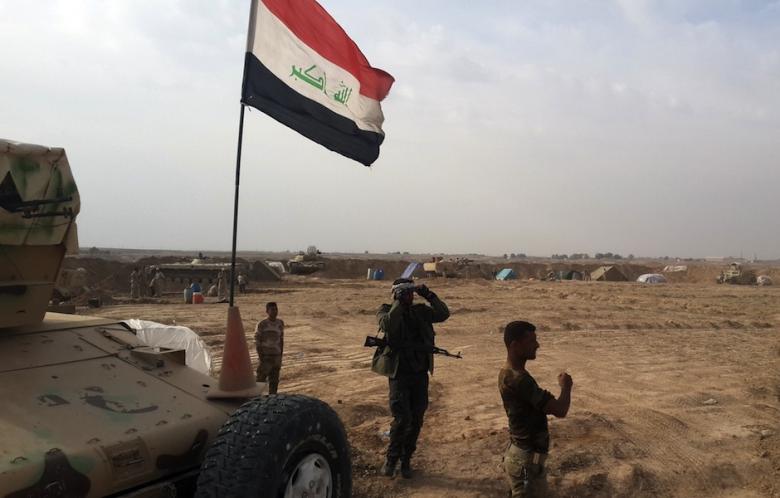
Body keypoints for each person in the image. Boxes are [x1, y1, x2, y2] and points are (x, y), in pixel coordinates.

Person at [373, 278, 449, 479]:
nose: (410, 296)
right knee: (401, 418)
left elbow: (443, 314)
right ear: (397, 294)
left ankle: (406, 460)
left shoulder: (420, 311)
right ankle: (391, 460)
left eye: (411, 293)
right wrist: (398, 302)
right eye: (406, 293)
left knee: (416, 419)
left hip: (419, 373)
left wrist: (429, 295)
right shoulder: (386, 310)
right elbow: (387, 325)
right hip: (399, 374)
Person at [499, 321, 573, 497]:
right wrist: (566, 387)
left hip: (524, 456)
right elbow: (560, 410)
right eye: (531, 341)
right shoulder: (519, 380)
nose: (537, 345)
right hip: (526, 461)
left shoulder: (508, 373)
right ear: (515, 345)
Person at [255, 302, 284, 394]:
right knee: (260, 381)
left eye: (276, 309)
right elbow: (257, 342)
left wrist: (280, 355)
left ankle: (272, 398)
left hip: (276, 356)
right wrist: (261, 357)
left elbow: (281, 339)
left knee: (274, 382)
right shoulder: (262, 324)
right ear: (267, 311)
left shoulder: (280, 323)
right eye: (272, 310)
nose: (275, 312)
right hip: (266, 356)